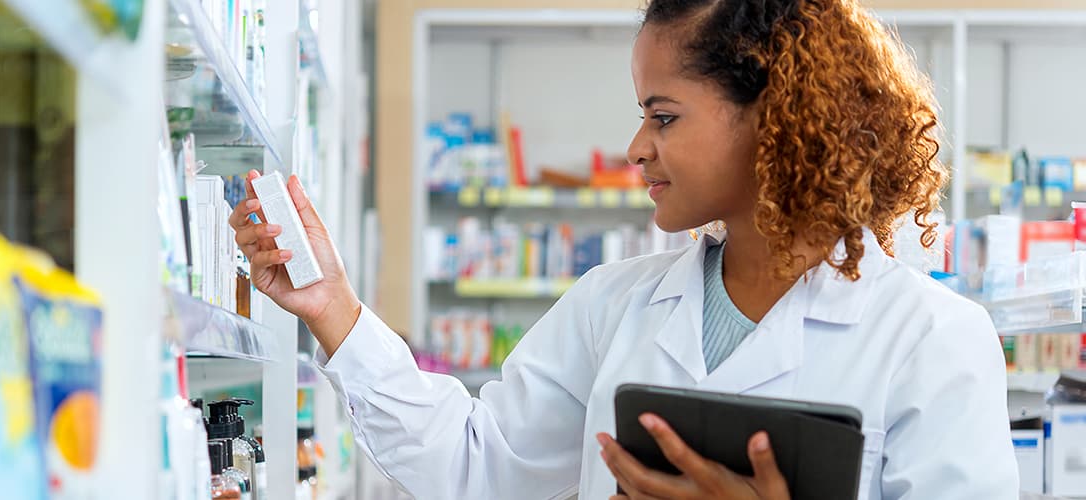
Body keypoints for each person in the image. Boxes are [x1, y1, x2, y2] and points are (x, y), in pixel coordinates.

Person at [229, 0, 1019, 498]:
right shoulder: (616, 305)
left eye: (664, 116)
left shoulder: (932, 339)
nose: (636, 148)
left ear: (774, 117)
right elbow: (478, 468)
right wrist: (332, 308)